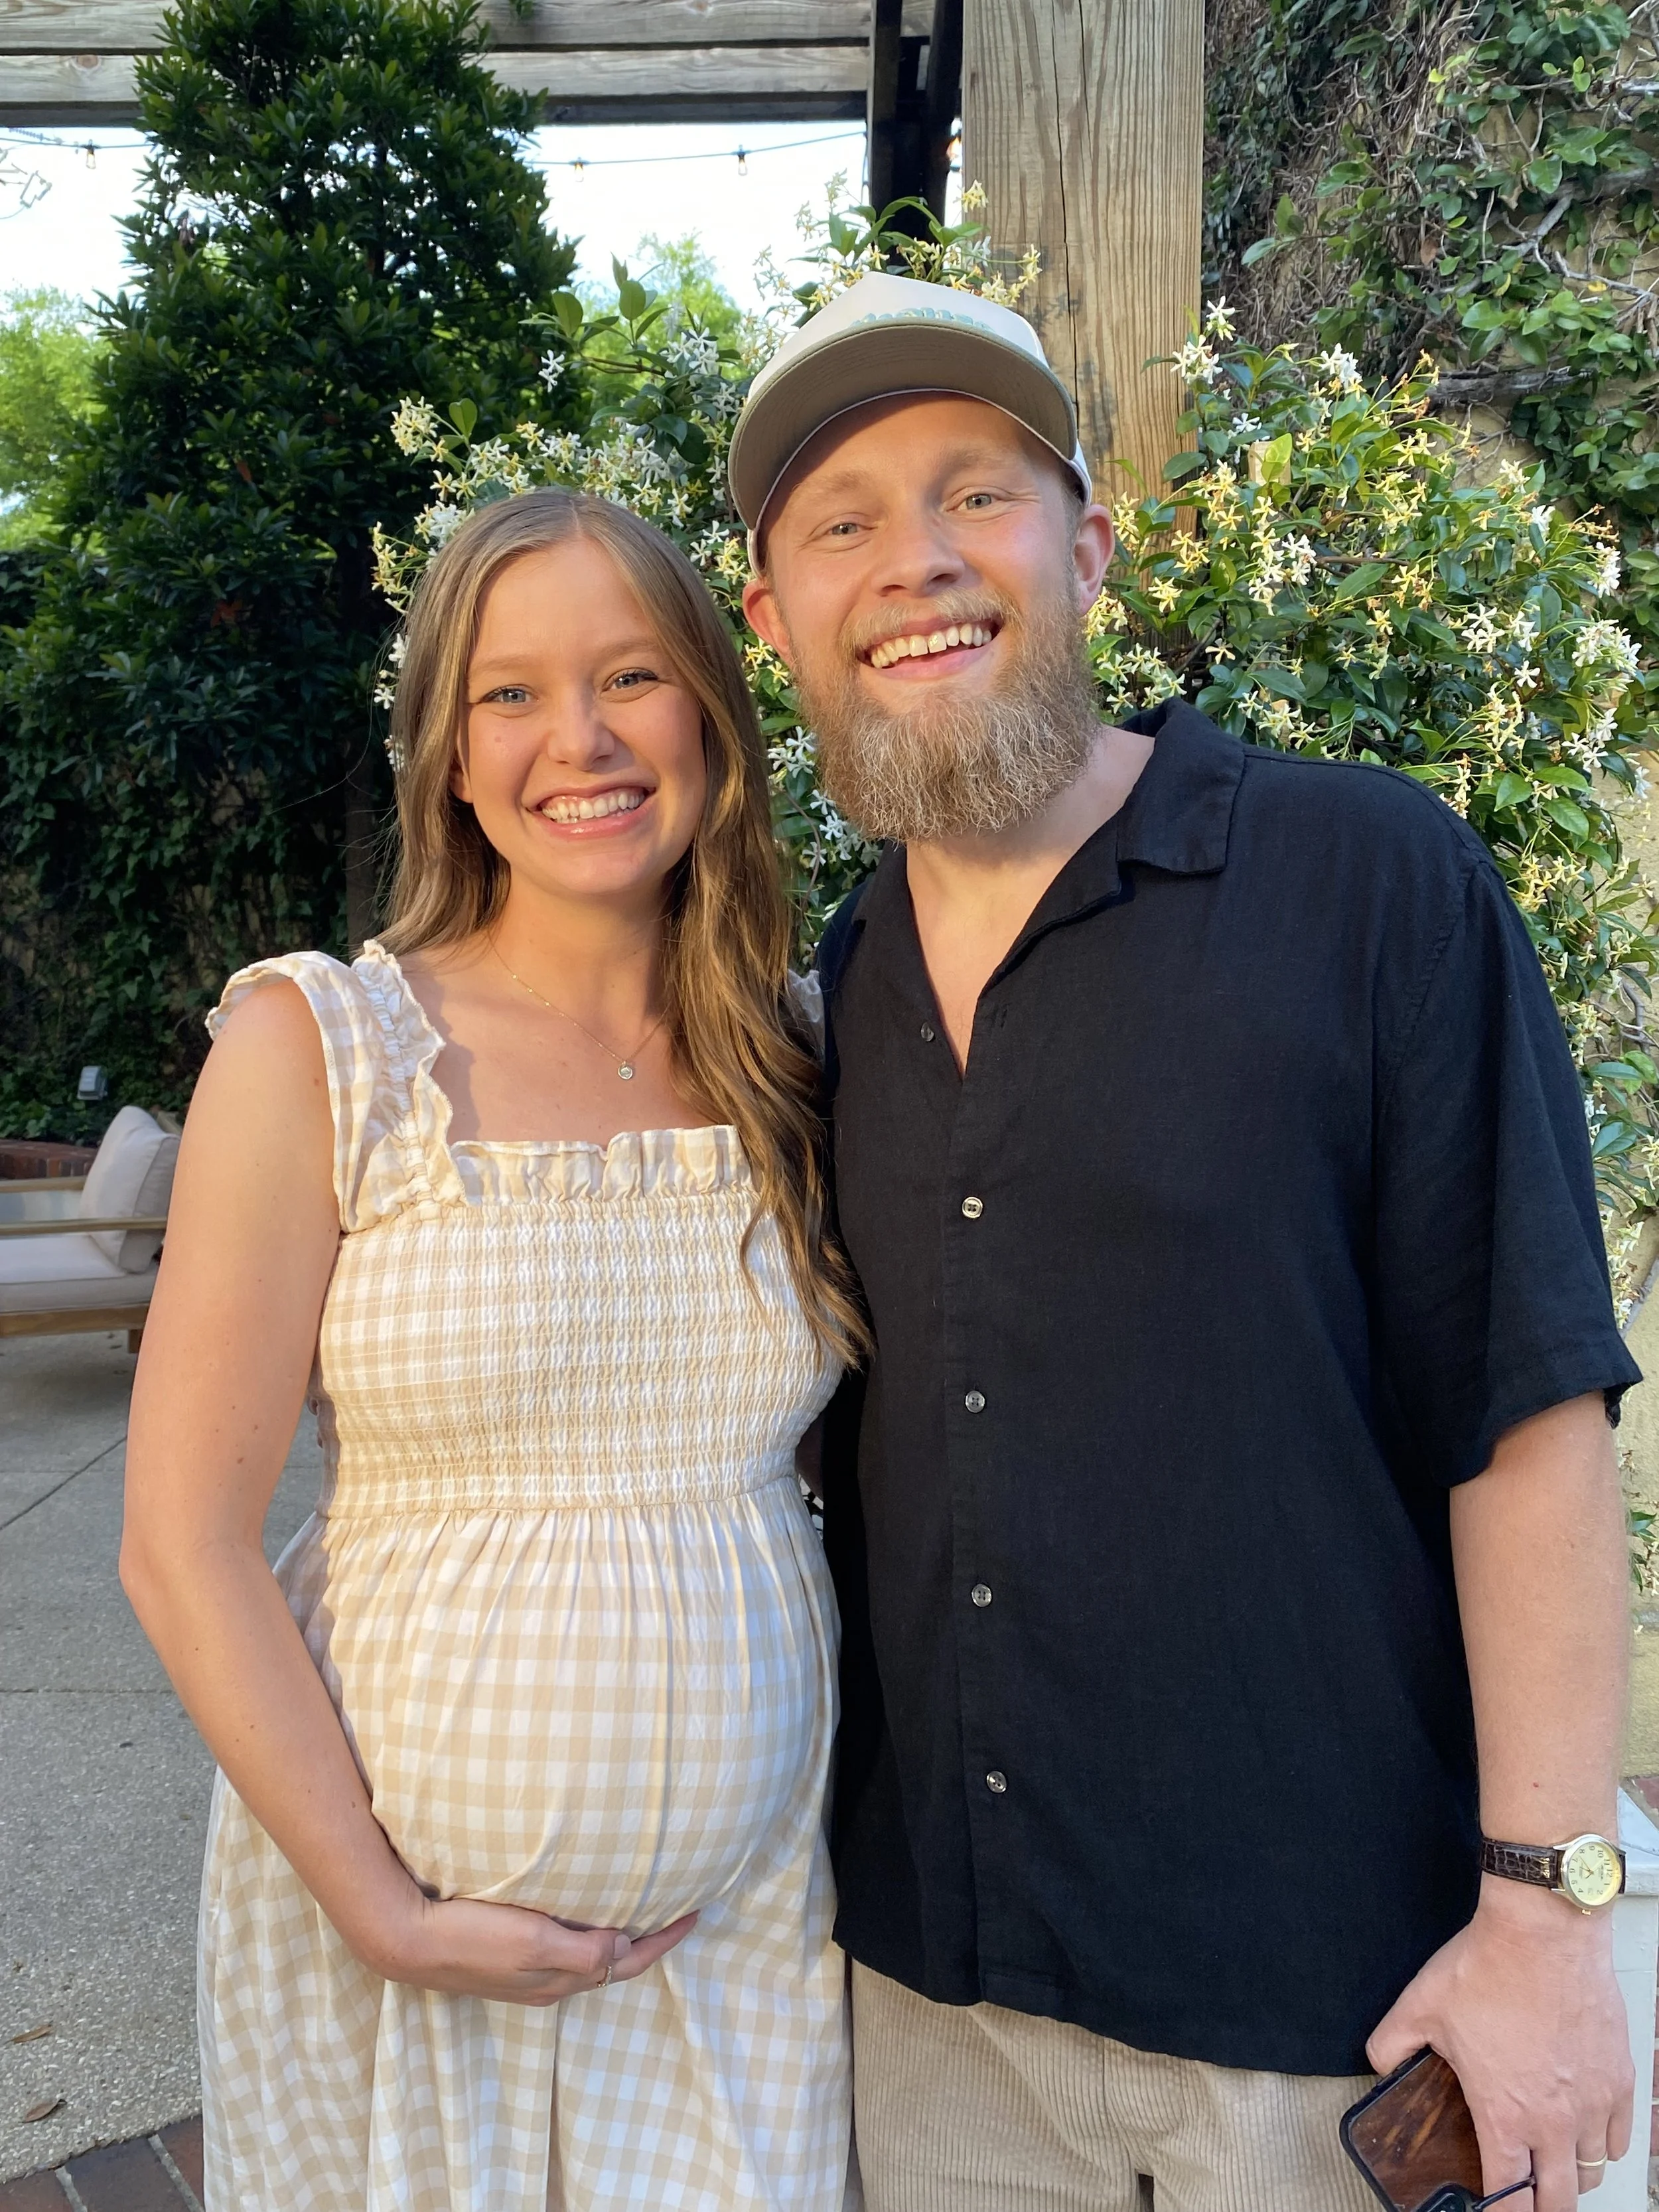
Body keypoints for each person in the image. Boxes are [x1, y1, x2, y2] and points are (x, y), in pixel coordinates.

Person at [735, 271, 1641, 2212]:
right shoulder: (838, 981)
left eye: (974, 491)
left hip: (1322, 2012)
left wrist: (1552, 1913)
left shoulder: (1367, 878)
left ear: (1088, 542)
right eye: (841, 523)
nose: (914, 563)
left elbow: (1528, 1401)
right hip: (934, 2007)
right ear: (774, 621)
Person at [120, 488, 864, 2212]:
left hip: (736, 1946)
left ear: (708, 715)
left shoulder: (795, 1054)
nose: (579, 739)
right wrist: (384, 1906)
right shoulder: (327, 1045)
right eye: (511, 692)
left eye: (628, 676)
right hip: (395, 1958)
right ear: (447, 751)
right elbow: (182, 1541)